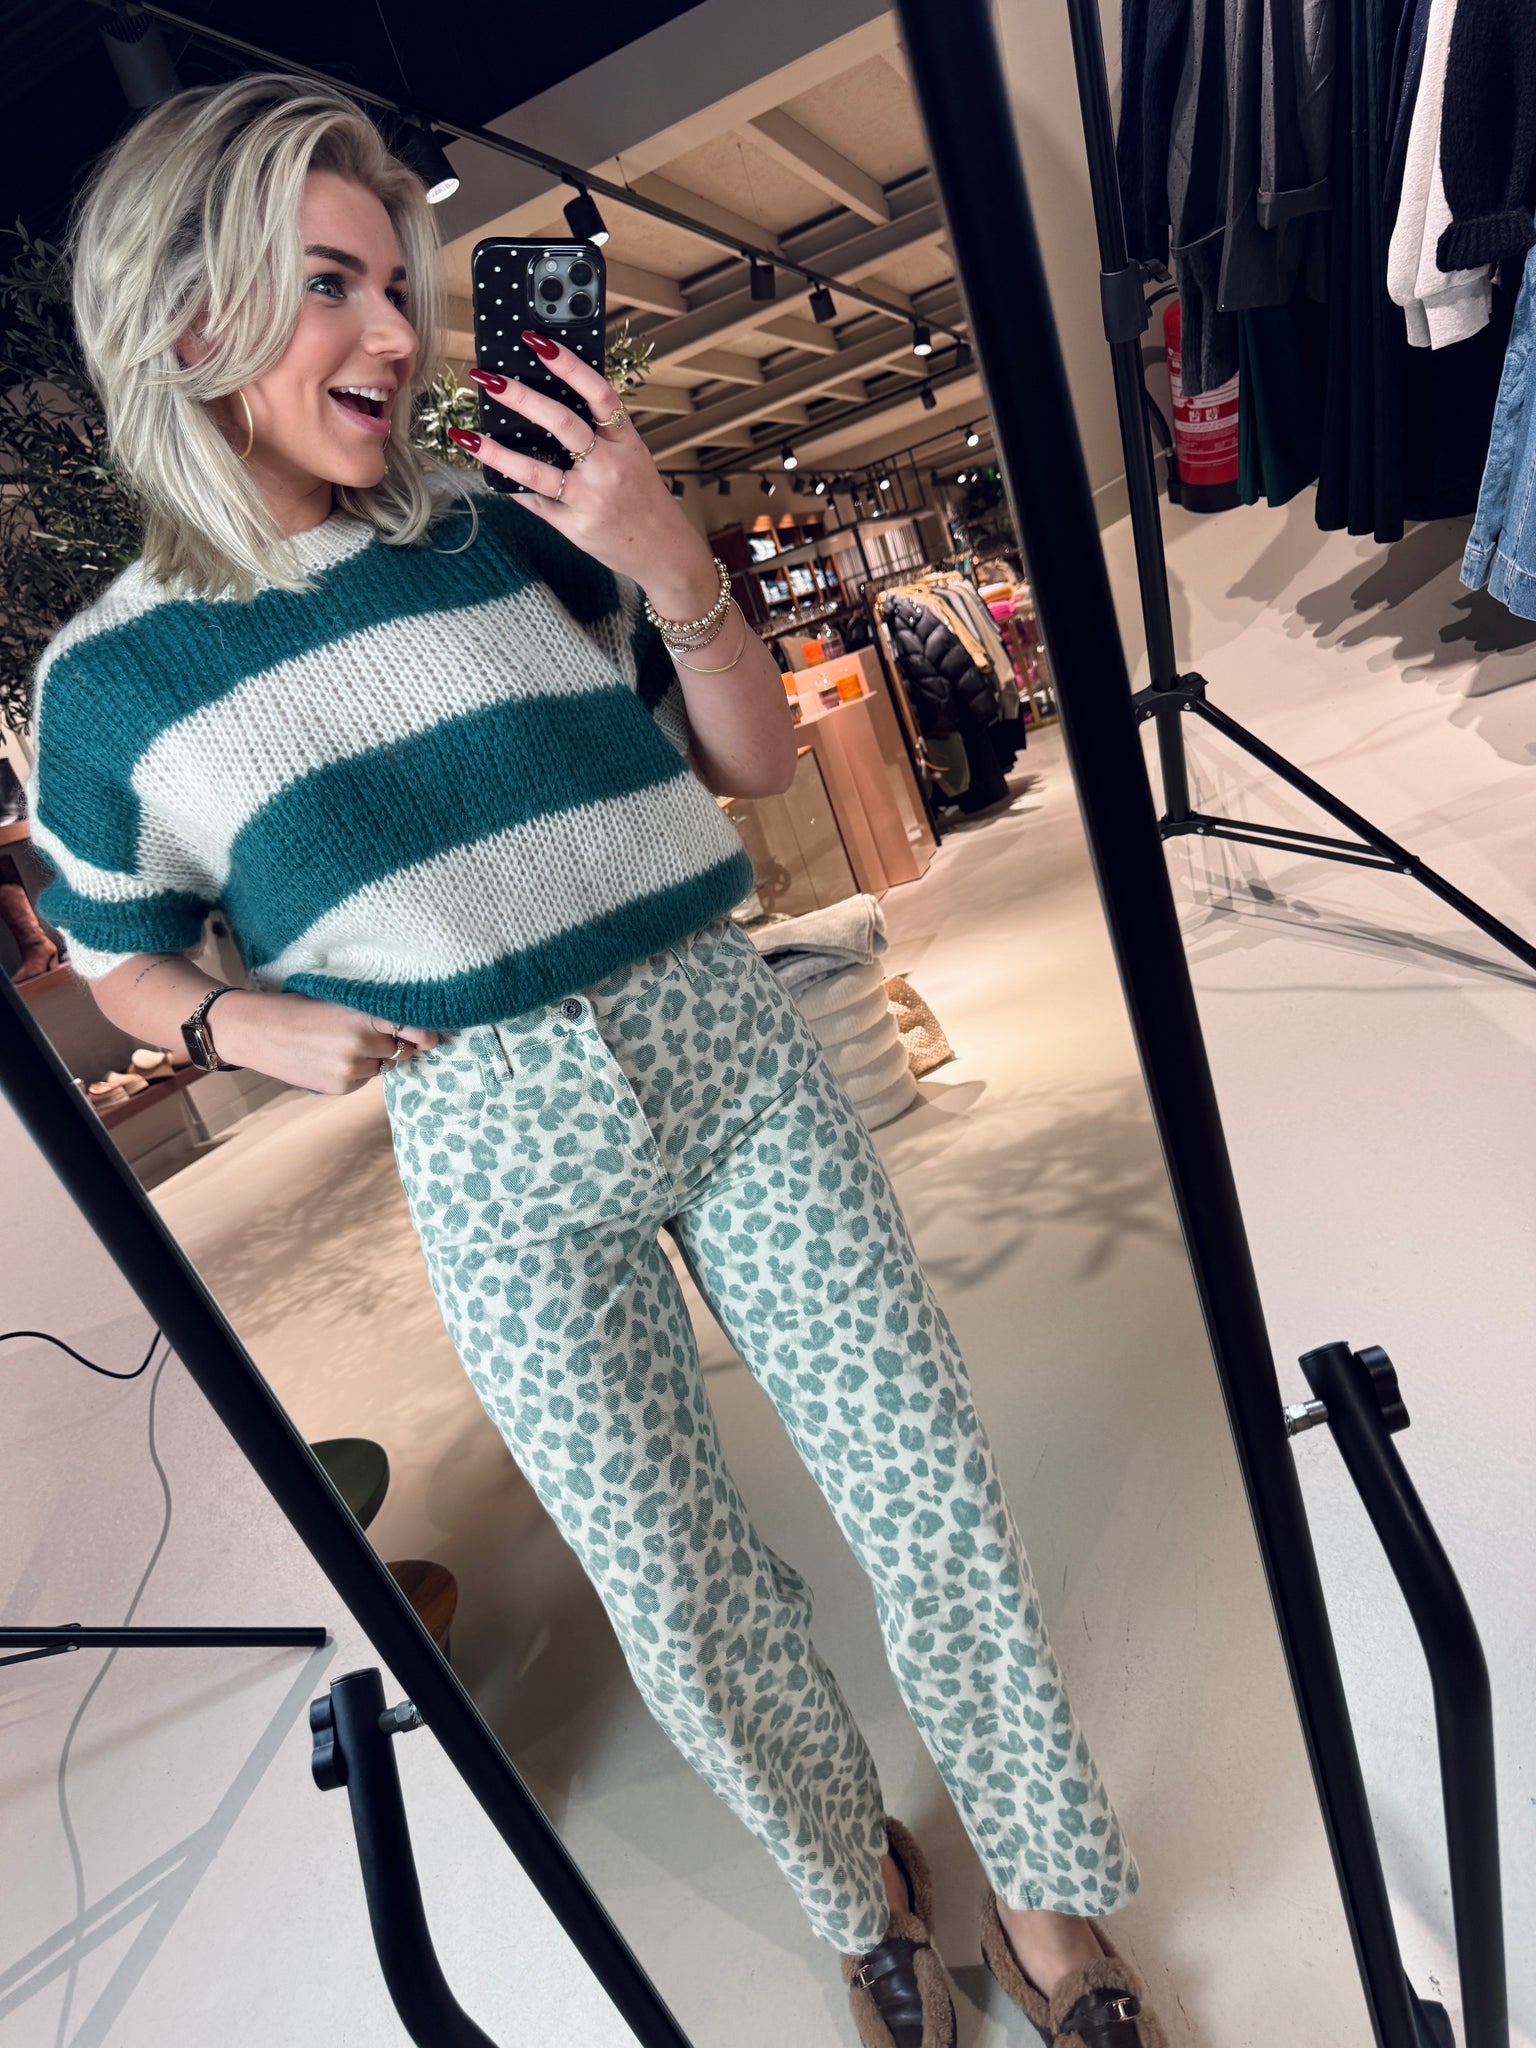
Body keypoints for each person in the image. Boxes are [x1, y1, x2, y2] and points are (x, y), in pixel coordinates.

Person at [26, 73, 1168, 2048]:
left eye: (395, 282)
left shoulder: (505, 527)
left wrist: (662, 555)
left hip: (721, 1041)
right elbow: (117, 961)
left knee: (929, 1482)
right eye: (329, 285)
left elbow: (751, 759)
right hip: (487, 1131)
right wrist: (231, 1020)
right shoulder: (109, 689)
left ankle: (1043, 1891)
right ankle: (859, 1890)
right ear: (187, 315)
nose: (397, 333)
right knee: (673, 1582)